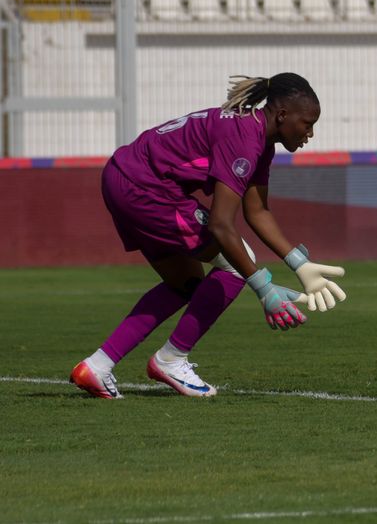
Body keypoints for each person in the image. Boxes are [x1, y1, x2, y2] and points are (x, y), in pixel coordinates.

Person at [70, 73, 347, 399]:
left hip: (122, 177)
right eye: (307, 123)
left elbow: (257, 212)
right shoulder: (245, 138)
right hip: (146, 188)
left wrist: (300, 264)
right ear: (283, 115)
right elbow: (220, 225)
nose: (310, 133)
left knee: (183, 284)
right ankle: (171, 360)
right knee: (238, 260)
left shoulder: (255, 138)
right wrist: (264, 290)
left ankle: (97, 367)